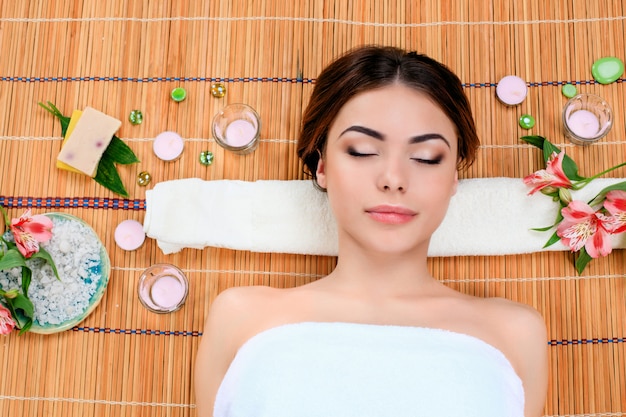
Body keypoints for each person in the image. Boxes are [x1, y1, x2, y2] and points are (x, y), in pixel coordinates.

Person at [195, 45, 548, 417]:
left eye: (427, 157)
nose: (393, 179)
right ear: (322, 167)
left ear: (453, 179)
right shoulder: (241, 319)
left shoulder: (515, 333)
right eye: (362, 151)